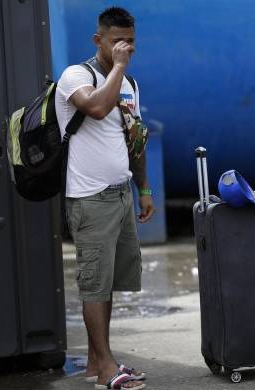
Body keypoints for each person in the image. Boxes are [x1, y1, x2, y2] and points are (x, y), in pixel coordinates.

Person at [55, 7, 153, 390]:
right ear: (99, 40)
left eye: (129, 42)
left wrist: (143, 189)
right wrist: (118, 68)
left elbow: (136, 138)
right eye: (116, 41)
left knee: (110, 282)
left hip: (121, 194)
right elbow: (96, 108)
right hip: (89, 198)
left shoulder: (130, 83)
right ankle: (108, 369)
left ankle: (98, 363)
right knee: (94, 285)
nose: (124, 48)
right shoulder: (76, 76)